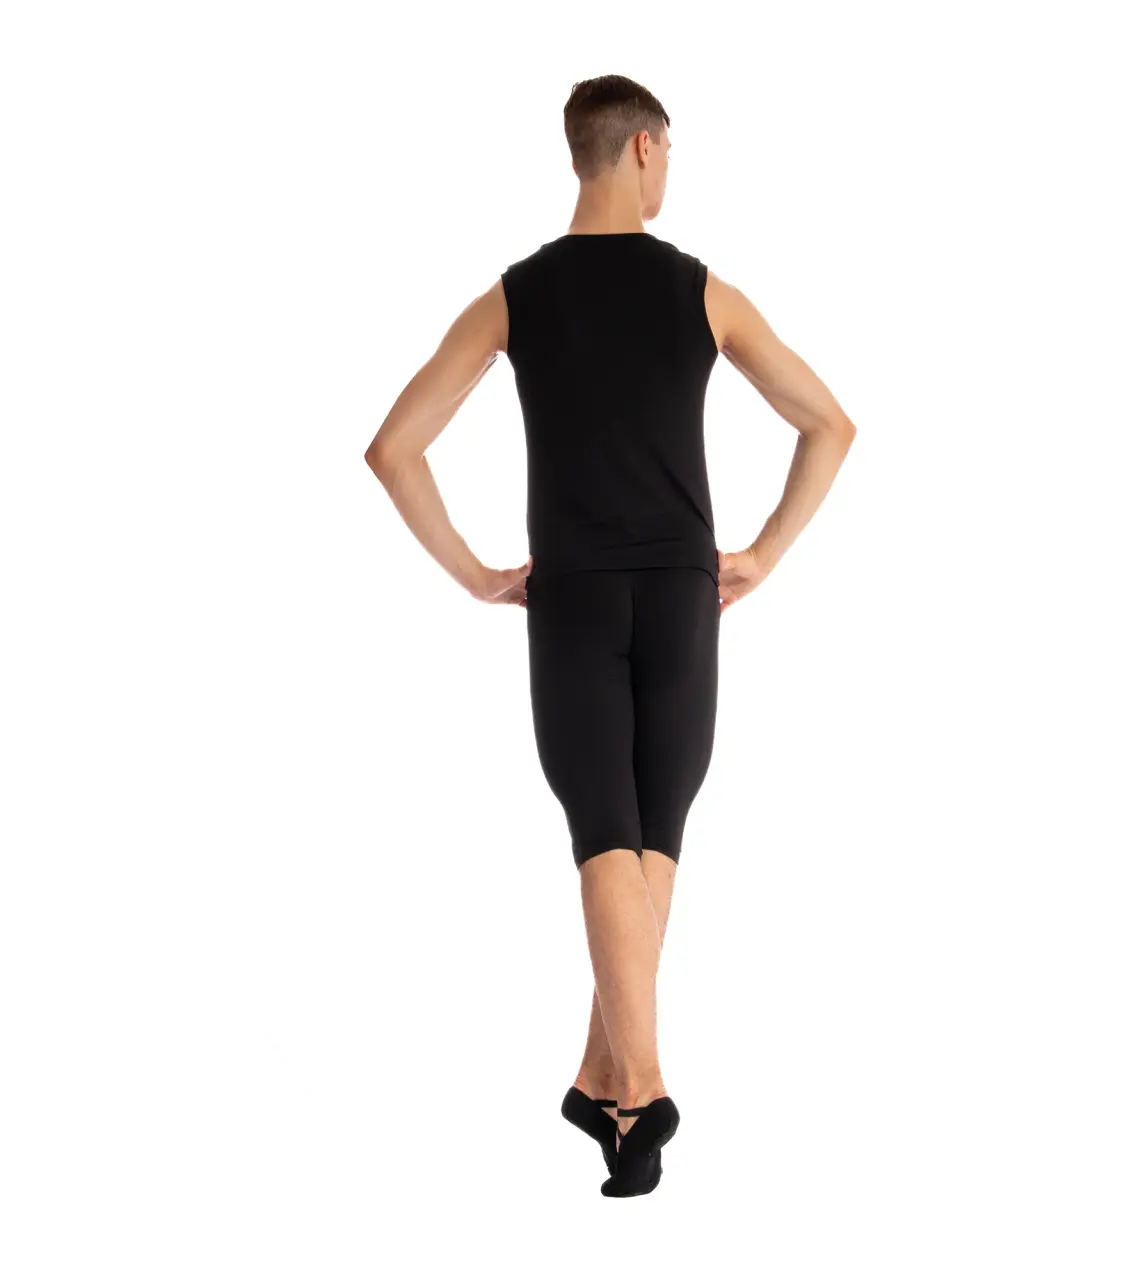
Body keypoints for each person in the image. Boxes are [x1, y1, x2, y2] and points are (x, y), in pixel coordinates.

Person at [364, 74, 856, 1196]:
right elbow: (828, 422)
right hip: (686, 594)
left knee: (605, 831)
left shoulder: (515, 296)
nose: (668, 168)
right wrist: (763, 552)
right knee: (651, 834)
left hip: (573, 596)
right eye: (668, 150)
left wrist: (479, 576)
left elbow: (394, 448)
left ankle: (617, 1083)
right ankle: (632, 1089)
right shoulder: (701, 292)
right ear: (641, 147)